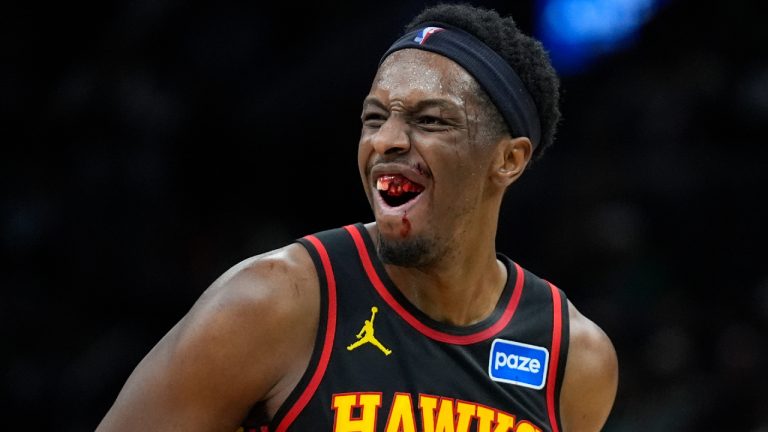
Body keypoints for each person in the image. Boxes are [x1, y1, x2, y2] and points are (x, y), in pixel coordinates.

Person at [96, 3, 618, 431]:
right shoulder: (274, 302)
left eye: (430, 120)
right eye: (374, 117)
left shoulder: (575, 360)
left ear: (508, 160)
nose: (386, 140)